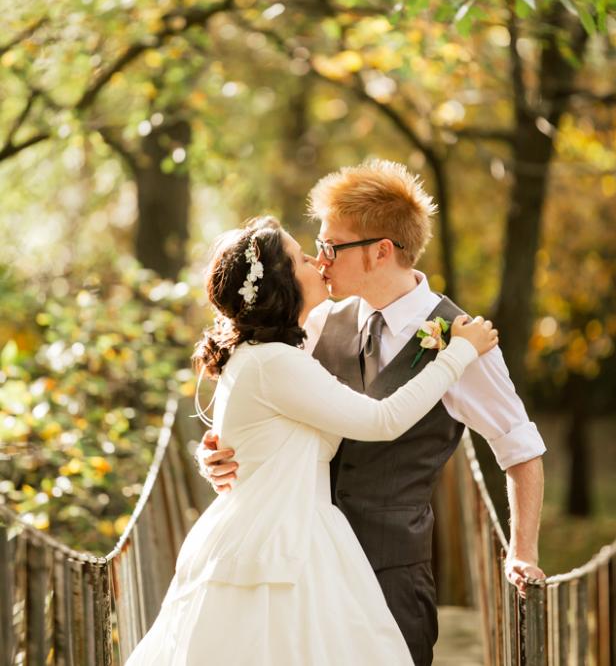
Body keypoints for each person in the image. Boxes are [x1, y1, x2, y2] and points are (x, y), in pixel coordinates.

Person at [199, 161, 546, 666]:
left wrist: (523, 551)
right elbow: (263, 401)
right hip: (302, 567)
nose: (320, 261)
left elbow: (519, 447)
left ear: (382, 251)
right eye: (317, 247)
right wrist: (222, 454)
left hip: (394, 575)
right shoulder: (318, 319)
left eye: (332, 247)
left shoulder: (463, 339)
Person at [125, 216, 498, 666]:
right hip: (277, 547)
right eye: (301, 257)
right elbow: (382, 420)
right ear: (283, 283)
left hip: (293, 534)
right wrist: (458, 353)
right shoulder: (275, 363)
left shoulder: (277, 356)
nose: (317, 260)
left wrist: (220, 452)